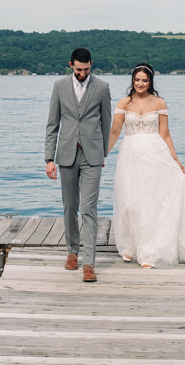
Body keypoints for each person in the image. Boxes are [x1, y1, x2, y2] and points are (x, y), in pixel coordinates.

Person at [105, 62, 185, 268]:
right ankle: (129, 247)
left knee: (151, 201)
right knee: (130, 200)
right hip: (130, 155)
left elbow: (165, 134)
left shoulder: (159, 102)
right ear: (132, 80)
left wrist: (175, 159)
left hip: (155, 154)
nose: (141, 83)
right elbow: (114, 132)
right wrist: (103, 154)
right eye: (137, 80)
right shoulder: (124, 103)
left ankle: (149, 252)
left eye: (145, 80)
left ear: (150, 81)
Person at [44, 47, 113, 282]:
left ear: (91, 64)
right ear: (70, 65)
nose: (82, 73)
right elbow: (52, 124)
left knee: (89, 209)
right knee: (70, 206)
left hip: (92, 156)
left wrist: (102, 154)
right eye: (78, 69)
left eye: (86, 69)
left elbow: (106, 122)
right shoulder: (59, 86)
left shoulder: (102, 87)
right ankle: (72, 252)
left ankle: (89, 264)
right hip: (65, 155)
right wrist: (49, 159)